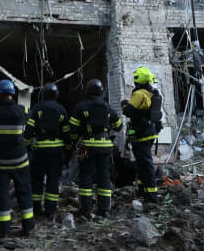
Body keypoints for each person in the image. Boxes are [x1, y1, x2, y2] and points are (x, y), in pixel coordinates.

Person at [0, 79, 34, 242]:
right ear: (13, 94)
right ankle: (28, 227)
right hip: (20, 161)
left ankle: (3, 231)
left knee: (2, 196)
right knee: (24, 193)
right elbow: (29, 131)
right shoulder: (22, 110)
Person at [69, 79, 122, 218]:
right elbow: (118, 126)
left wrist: (73, 143)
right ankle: (104, 210)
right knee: (103, 177)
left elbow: (73, 128)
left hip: (88, 146)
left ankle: (86, 209)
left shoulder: (81, 107)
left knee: (86, 176)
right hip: (105, 146)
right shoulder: (107, 107)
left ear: (88, 91)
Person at [23, 82, 69, 220]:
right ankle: (50, 209)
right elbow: (67, 132)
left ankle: (36, 208)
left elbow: (29, 131)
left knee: (36, 179)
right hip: (56, 151)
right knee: (53, 180)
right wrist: (68, 150)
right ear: (56, 95)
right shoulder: (61, 110)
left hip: (40, 151)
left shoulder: (37, 109)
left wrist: (27, 147)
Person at [122, 67, 163, 205]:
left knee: (145, 163)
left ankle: (152, 196)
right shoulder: (152, 92)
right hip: (150, 133)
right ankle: (143, 191)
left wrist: (123, 104)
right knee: (141, 163)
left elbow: (128, 111)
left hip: (140, 134)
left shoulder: (139, 94)